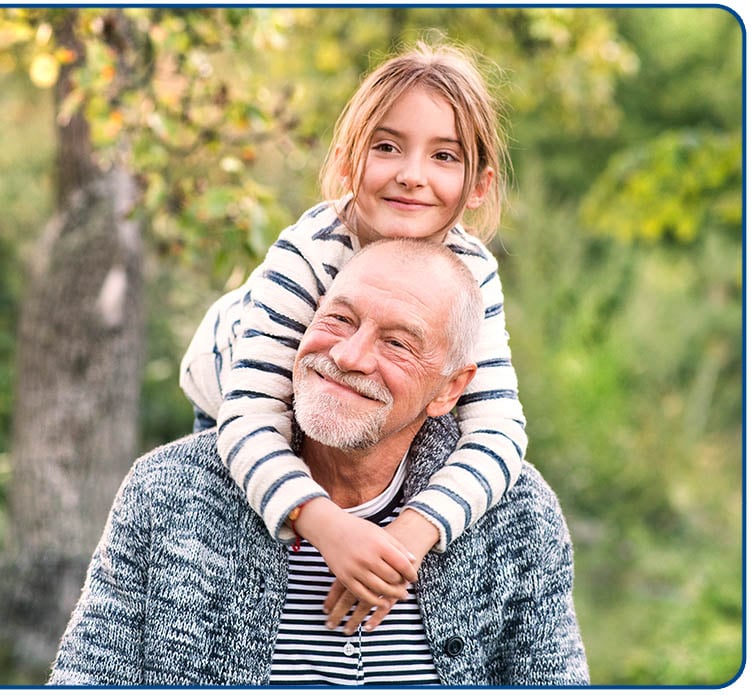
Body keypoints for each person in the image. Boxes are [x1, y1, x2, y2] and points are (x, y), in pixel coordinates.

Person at [48, 239, 589, 686]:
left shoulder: (517, 514)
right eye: (339, 318)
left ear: (449, 389)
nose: (349, 356)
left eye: (398, 343)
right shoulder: (169, 490)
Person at [179, 39, 528, 621]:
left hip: (364, 426)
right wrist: (327, 528)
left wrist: (411, 535)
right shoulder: (309, 254)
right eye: (387, 147)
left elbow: (498, 433)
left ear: (479, 185)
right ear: (347, 161)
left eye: (444, 156)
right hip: (237, 400)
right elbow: (250, 417)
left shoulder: (471, 274)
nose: (412, 176)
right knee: (245, 556)